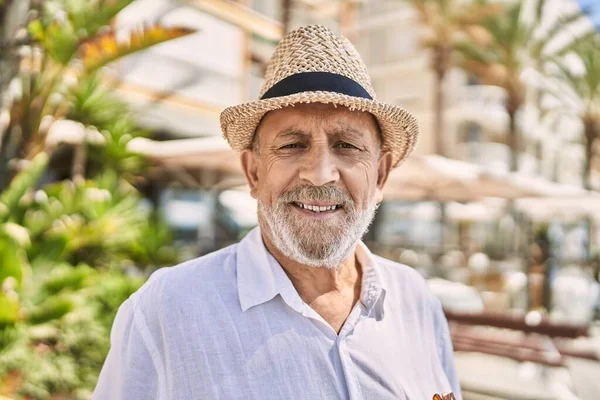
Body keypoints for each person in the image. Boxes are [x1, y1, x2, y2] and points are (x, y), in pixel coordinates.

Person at [93, 25, 461, 400]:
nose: (319, 174)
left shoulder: (416, 301)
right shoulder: (166, 311)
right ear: (253, 171)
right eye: (292, 145)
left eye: (347, 145)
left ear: (380, 174)